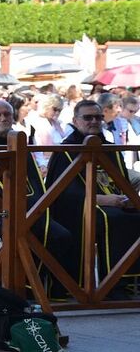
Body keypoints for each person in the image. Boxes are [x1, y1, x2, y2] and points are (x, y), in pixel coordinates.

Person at [0, 100, 74, 297]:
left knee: (61, 236)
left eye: (7, 114)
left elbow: (36, 186)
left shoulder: (20, 144)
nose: (3, 118)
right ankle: (15, 290)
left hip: (30, 209)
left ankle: (45, 290)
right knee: (24, 232)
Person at [46, 100, 140, 289]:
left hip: (116, 203)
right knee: (112, 219)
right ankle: (112, 286)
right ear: (75, 120)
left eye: (98, 117)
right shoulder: (65, 151)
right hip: (78, 210)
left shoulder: (110, 149)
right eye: (88, 117)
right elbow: (63, 195)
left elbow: (123, 181)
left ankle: (132, 282)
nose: (94, 121)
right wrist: (103, 200)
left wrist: (127, 198)